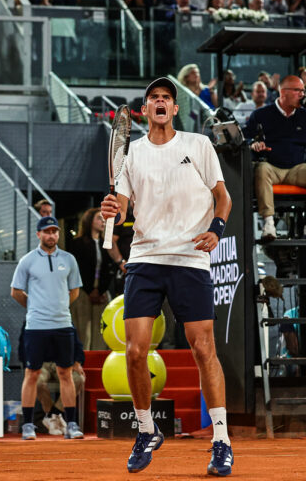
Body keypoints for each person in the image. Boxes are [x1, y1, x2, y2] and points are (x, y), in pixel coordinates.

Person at [100, 77, 233, 475]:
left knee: (202, 347)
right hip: (145, 259)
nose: (160, 102)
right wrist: (113, 210)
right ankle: (146, 430)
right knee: (136, 350)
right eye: (153, 98)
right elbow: (123, 208)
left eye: (166, 98)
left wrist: (218, 229)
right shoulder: (133, 155)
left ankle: (222, 440)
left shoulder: (199, 145)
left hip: (191, 258)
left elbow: (222, 196)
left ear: (175, 109)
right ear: (145, 110)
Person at [10, 216, 84, 441]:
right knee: (32, 374)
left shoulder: (69, 260)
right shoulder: (27, 261)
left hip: (63, 325)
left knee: (66, 373)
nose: (51, 235)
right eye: (46, 232)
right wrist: (36, 308)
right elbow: (16, 291)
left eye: (54, 231)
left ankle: (71, 424)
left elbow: (74, 291)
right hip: (36, 327)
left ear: (58, 234)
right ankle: (28, 426)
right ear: (38, 235)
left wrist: (58, 308)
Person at [245, 75, 306, 242]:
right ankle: (269, 224)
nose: (302, 95)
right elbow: (245, 138)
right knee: (261, 169)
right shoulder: (261, 115)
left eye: (303, 91)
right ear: (283, 92)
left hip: (296, 169)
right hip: (272, 167)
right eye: (298, 91)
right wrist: (253, 144)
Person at [67, 207, 113, 350]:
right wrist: (89, 290)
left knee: (100, 332)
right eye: (99, 218)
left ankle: (98, 366)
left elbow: (109, 270)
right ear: (89, 221)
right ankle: (82, 365)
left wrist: (101, 290)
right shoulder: (77, 244)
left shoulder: (107, 244)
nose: (103, 221)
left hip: (102, 293)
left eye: (104, 218)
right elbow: (77, 270)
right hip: (82, 292)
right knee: (83, 331)